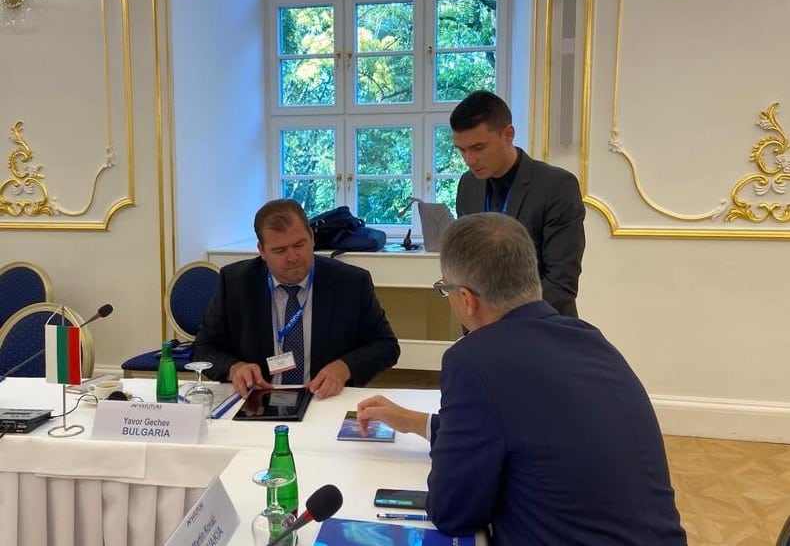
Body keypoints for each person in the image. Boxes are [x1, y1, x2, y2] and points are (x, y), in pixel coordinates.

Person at [357, 213, 686, 545]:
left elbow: (453, 512)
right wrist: (417, 423)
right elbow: (527, 431)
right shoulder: (589, 338)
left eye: (445, 290)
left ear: (467, 299)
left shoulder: (473, 359)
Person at [193, 199, 400, 399]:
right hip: (258, 398)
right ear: (262, 250)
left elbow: (386, 346)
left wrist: (344, 367)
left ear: (312, 237)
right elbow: (203, 348)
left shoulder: (351, 282)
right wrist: (235, 368)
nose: (292, 258)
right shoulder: (235, 283)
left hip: (324, 398)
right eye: (280, 250)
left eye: (299, 245)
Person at [452, 90, 585, 317]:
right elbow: (467, 266)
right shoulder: (468, 185)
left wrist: (505, 325)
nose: (469, 160)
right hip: (483, 326)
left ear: (508, 134)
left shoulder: (557, 185)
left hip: (544, 326)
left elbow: (561, 282)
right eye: (462, 150)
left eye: (478, 148)